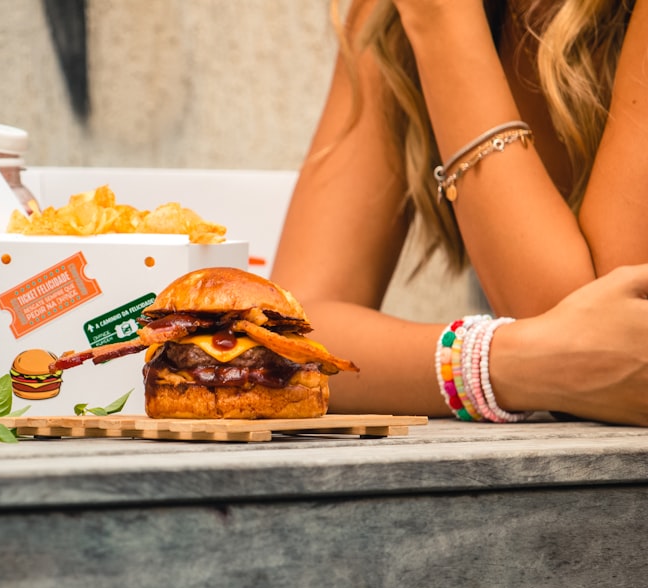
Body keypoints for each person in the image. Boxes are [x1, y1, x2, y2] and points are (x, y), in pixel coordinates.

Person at [271, 0, 648, 426]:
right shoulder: (397, 17)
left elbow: (617, 346)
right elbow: (290, 335)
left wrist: (441, 23)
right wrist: (493, 361)